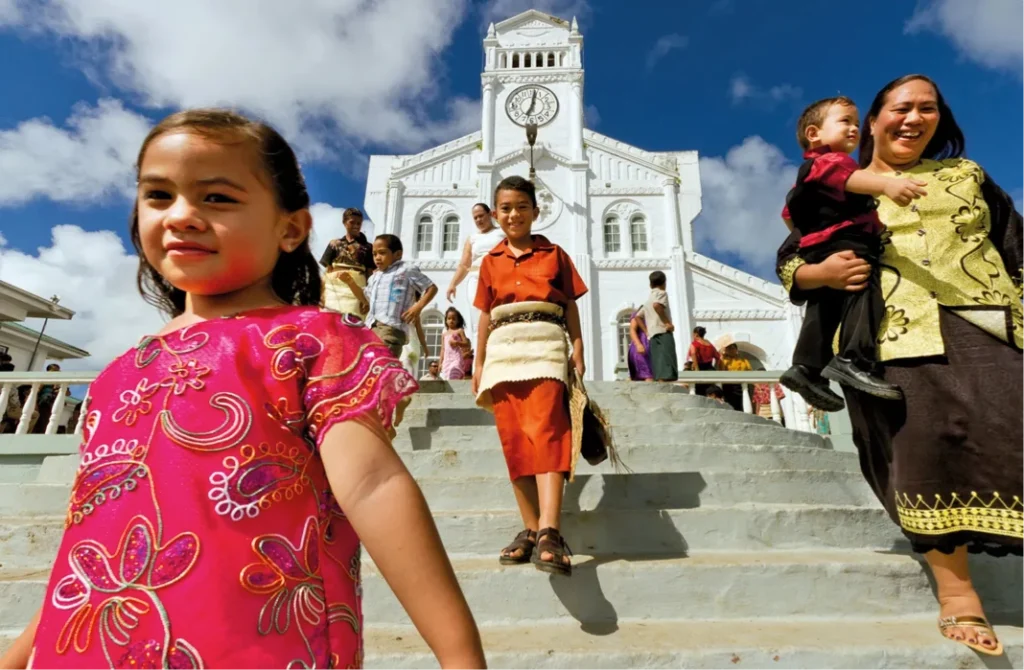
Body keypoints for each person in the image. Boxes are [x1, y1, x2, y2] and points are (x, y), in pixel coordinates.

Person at [0, 109, 484, 670]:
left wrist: (459, 656)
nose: (182, 215)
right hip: (87, 647)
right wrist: (20, 653)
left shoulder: (316, 342)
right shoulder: (119, 373)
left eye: (218, 198)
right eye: (159, 195)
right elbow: (90, 534)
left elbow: (373, 486)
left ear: (291, 228)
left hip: (259, 643)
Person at [777, 74, 1024, 657]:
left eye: (928, 109)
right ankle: (959, 592)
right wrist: (823, 275)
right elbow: (793, 258)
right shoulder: (841, 183)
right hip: (888, 334)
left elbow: (1015, 244)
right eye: (901, 108)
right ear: (873, 121)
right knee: (922, 450)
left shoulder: (967, 176)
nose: (914, 118)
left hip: (988, 321)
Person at [779, 95, 926, 412]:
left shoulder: (807, 176)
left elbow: (788, 215)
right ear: (814, 134)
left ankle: (806, 368)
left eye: (857, 124)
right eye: (845, 121)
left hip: (822, 245)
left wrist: (814, 229)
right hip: (849, 241)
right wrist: (885, 187)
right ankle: (853, 358)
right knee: (863, 291)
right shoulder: (833, 162)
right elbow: (847, 178)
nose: (854, 129)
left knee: (824, 307)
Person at [472, 176, 587, 577]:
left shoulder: (554, 254)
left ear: (536, 211)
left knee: (549, 431)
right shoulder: (490, 262)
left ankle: (552, 530)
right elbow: (485, 314)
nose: (513, 214)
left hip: (545, 344)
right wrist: (479, 362)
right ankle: (531, 528)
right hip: (504, 352)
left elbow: (570, 303)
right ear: (494, 214)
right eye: (505, 208)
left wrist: (578, 347)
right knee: (514, 439)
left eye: (522, 206)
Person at [364, 234, 437, 359]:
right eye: (374, 254)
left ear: (397, 254)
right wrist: (350, 283)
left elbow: (431, 288)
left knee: (383, 364)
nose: (377, 258)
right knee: (372, 367)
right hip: (371, 327)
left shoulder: (406, 270)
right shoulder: (374, 277)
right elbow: (367, 298)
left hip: (391, 329)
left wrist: (417, 307)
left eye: (382, 253)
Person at [446, 203, 507, 337]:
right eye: (475, 218)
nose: (479, 220)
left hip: (498, 277)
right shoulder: (473, 238)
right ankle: (479, 352)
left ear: (490, 214)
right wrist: (453, 284)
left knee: (498, 313)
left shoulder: (502, 233)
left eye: (481, 216)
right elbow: (464, 264)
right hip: (476, 278)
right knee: (477, 314)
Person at [319, 207, 374, 318]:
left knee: (351, 321)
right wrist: (321, 293)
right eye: (352, 222)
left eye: (359, 223)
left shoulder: (368, 247)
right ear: (344, 223)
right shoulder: (334, 244)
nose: (356, 226)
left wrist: (366, 299)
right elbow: (327, 270)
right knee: (330, 319)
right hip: (333, 288)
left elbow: (370, 273)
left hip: (356, 289)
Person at [641, 271, 678, 382]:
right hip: (663, 331)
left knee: (658, 363)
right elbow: (657, 305)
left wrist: (646, 331)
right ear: (664, 283)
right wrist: (668, 323)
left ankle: (661, 383)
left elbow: (638, 317)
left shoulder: (648, 300)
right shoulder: (661, 293)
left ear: (650, 284)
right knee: (667, 362)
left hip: (653, 334)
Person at [439, 307, 472, 380]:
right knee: (449, 379)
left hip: (456, 358)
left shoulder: (459, 331)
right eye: (449, 318)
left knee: (454, 375)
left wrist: (457, 343)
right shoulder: (444, 334)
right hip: (447, 360)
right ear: (446, 320)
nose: (451, 320)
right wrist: (440, 363)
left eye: (454, 319)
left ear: (458, 320)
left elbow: (467, 344)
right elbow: (442, 349)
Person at [718, 342, 751, 411]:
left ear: (736, 350)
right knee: (731, 404)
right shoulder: (725, 360)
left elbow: (750, 372)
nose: (731, 350)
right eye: (729, 349)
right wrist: (722, 356)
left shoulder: (744, 360)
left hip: (742, 384)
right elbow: (721, 371)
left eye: (733, 348)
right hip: (730, 386)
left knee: (743, 403)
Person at [688, 327, 720, 396]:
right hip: (710, 369)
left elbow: (693, 354)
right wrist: (715, 368)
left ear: (696, 334)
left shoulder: (694, 344)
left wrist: (696, 369)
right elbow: (717, 357)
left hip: (700, 368)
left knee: (699, 392)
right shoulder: (709, 344)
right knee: (710, 392)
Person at [626, 309, 653, 381]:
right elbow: (632, 330)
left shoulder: (653, 315)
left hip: (651, 349)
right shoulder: (638, 314)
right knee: (647, 374)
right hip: (641, 347)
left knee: (650, 375)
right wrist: (638, 344)